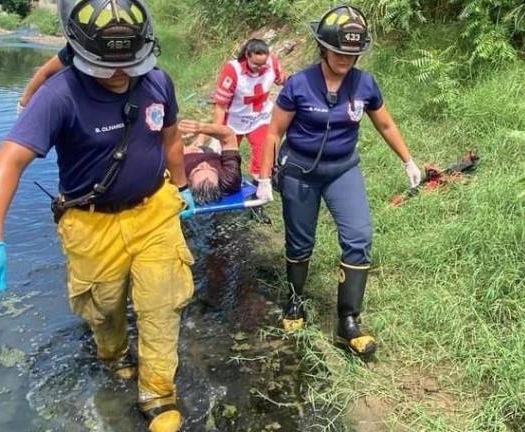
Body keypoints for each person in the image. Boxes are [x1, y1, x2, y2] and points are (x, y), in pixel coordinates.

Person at [0, 1, 194, 431]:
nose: (121, 74)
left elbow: (172, 137)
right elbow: (6, 164)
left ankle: (158, 395)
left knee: (162, 304)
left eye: (130, 63)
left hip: (156, 213)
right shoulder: (59, 95)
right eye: (109, 66)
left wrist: (181, 188)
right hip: (91, 224)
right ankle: (113, 357)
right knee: (103, 312)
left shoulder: (159, 81)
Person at [256, 5, 422, 357]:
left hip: (343, 169)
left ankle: (348, 323)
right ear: (323, 47)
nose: (346, 59)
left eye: (353, 53)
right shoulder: (299, 84)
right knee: (301, 242)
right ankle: (295, 301)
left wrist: (408, 160)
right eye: (339, 51)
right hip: (300, 171)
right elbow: (273, 132)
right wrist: (263, 177)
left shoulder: (365, 84)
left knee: (359, 238)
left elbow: (386, 124)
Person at [212, 38, 285, 180]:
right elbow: (220, 106)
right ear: (247, 56)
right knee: (226, 158)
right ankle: (226, 184)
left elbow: (282, 80)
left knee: (264, 154)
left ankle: (260, 185)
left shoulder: (271, 63)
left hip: (260, 118)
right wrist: (217, 131)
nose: (260, 68)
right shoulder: (232, 70)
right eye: (256, 64)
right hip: (233, 120)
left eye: (263, 64)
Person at [178, 119, 242, 204]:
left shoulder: (178, 180)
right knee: (201, 145)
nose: (204, 164)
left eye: (197, 169)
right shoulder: (229, 179)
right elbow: (229, 136)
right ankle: (200, 141)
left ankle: (197, 142)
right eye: (212, 169)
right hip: (208, 152)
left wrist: (182, 150)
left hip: (182, 155)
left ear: (189, 182)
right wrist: (201, 127)